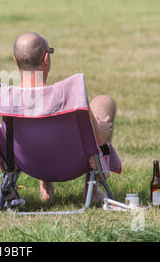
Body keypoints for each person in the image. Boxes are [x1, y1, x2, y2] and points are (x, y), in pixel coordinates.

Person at [12, 32, 117, 203]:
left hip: (31, 164)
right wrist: (103, 128)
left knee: (41, 133)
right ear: (47, 59)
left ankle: (45, 183)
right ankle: (93, 190)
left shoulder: (6, 101)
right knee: (104, 102)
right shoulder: (70, 98)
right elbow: (97, 139)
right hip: (73, 164)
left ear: (15, 61)